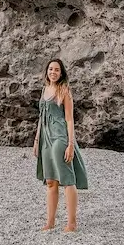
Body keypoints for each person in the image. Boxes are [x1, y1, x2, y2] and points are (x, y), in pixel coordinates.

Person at [33, 58, 88, 233]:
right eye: (50, 69)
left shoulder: (64, 91)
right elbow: (41, 118)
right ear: (47, 71)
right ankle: (50, 222)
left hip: (59, 137)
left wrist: (70, 144)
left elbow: (70, 119)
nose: (53, 72)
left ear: (61, 73)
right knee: (50, 181)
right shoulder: (44, 90)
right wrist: (36, 141)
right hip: (45, 139)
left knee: (66, 180)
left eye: (57, 70)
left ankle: (71, 223)